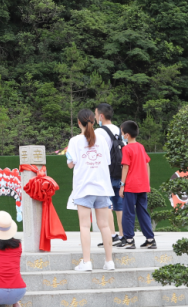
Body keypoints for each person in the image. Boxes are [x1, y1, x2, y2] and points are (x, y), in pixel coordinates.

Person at [67, 108, 116, 272]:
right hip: (102, 187)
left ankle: (87, 262)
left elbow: (70, 164)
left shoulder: (74, 141)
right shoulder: (102, 140)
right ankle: (109, 262)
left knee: (84, 226)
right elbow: (107, 161)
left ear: (79, 123)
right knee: (105, 226)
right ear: (93, 122)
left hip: (84, 187)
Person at [119, 121, 156, 249]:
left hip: (130, 185)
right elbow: (147, 164)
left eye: (122, 132)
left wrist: (122, 185)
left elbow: (125, 167)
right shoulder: (141, 147)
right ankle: (150, 239)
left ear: (127, 135)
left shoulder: (126, 148)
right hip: (142, 185)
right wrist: (148, 182)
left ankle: (129, 240)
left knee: (128, 213)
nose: (121, 135)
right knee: (143, 212)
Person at [96, 103, 124, 245]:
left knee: (106, 204)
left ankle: (111, 235)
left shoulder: (99, 132)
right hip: (119, 172)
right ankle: (123, 235)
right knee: (119, 205)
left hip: (105, 173)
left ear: (101, 116)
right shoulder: (119, 129)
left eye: (96, 115)